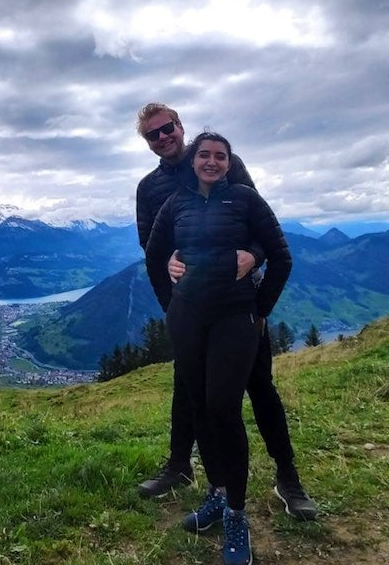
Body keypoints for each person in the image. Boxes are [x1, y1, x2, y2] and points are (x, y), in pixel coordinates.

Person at [134, 103, 317, 522]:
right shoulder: (150, 189)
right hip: (191, 308)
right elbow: (151, 246)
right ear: (147, 142)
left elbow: (260, 225)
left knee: (260, 385)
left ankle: (288, 477)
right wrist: (170, 297)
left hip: (239, 303)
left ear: (180, 126)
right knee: (190, 389)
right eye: (152, 135)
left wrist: (254, 257)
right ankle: (181, 467)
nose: (163, 138)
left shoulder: (225, 165)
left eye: (167, 128)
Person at [145, 131, 292, 565]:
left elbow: (281, 257)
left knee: (223, 408)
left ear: (229, 162)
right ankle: (218, 492)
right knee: (199, 408)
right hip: (189, 321)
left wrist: (260, 309)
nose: (212, 162)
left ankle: (236, 514)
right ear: (193, 161)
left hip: (235, 317)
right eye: (205, 155)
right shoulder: (175, 204)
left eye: (220, 156)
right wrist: (171, 306)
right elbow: (154, 255)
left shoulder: (245, 199)